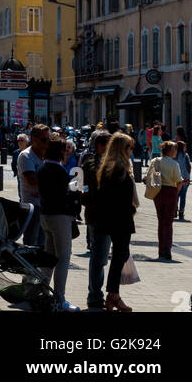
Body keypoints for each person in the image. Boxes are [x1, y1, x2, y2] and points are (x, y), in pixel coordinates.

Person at [95, 131, 136, 311]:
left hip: (111, 218)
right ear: (121, 148)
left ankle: (112, 296)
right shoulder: (119, 169)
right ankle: (113, 296)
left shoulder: (109, 167)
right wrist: (131, 209)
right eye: (129, 147)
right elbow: (119, 197)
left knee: (118, 257)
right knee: (119, 257)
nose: (131, 150)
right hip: (120, 219)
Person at [38, 135, 79, 310]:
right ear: (61, 152)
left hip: (45, 215)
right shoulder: (60, 171)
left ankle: (42, 293)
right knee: (63, 258)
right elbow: (66, 196)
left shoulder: (42, 168)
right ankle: (59, 298)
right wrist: (76, 193)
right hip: (60, 216)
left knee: (49, 257)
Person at [82, 129, 112, 310]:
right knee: (98, 258)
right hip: (100, 215)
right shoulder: (95, 163)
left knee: (98, 256)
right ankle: (95, 295)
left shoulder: (89, 161)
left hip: (95, 214)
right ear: (101, 146)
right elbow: (88, 187)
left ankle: (95, 294)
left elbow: (84, 189)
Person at [147, 140, 183, 260]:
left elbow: (148, 176)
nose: (176, 151)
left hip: (158, 192)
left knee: (160, 221)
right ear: (170, 151)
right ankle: (167, 248)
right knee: (168, 222)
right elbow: (179, 181)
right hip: (170, 191)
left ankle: (161, 249)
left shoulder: (154, 161)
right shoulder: (174, 164)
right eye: (175, 149)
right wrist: (176, 193)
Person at [17, 124, 51, 245]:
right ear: (34, 140)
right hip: (33, 206)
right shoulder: (26, 156)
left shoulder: (47, 155)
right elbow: (32, 181)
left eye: (49, 139)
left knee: (45, 242)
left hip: (45, 204)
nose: (47, 142)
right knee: (32, 242)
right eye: (44, 139)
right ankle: (29, 264)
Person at [176, 140, 192, 221]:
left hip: (177, 179)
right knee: (183, 196)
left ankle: (174, 210)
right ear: (182, 147)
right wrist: (188, 177)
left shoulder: (174, 156)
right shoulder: (185, 155)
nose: (186, 148)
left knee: (176, 195)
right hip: (185, 178)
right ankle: (181, 212)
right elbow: (189, 166)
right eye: (185, 146)